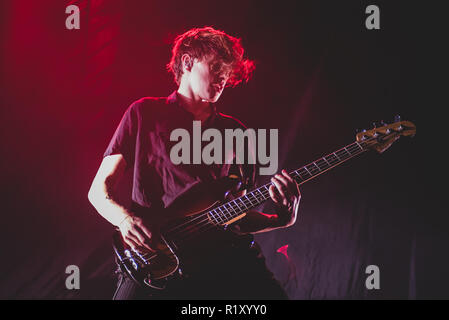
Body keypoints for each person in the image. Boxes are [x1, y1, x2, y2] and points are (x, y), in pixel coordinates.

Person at [87, 26, 300, 300]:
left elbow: (235, 218)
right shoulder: (143, 114)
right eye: (216, 66)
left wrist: (281, 219)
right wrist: (125, 219)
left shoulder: (238, 134)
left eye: (228, 70)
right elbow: (98, 191)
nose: (224, 76)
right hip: (157, 256)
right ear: (187, 62)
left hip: (224, 258)